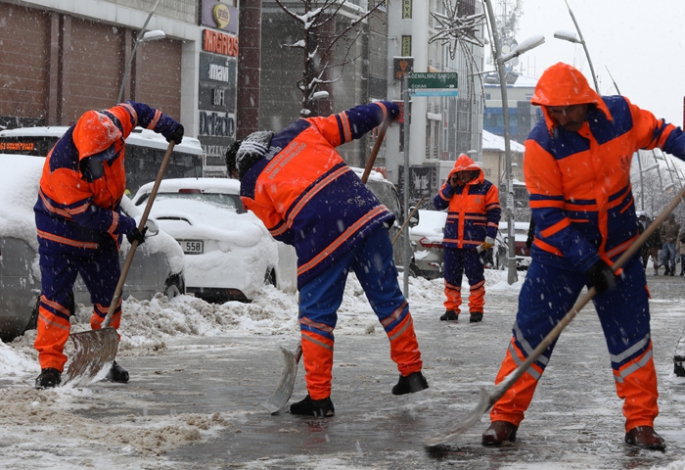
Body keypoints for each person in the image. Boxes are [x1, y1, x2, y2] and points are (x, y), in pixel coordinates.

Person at [481, 62, 685, 451]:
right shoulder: (542, 144)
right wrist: (588, 263)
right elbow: (550, 219)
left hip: (621, 248)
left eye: (566, 109)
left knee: (633, 338)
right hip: (557, 257)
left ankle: (640, 422)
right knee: (531, 335)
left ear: (586, 101)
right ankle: (505, 415)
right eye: (552, 109)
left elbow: (661, 133)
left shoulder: (620, 116)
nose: (559, 116)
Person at [224, 101, 428, 417]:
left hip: (321, 238)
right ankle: (412, 372)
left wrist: (314, 230)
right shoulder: (299, 130)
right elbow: (350, 122)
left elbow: (280, 230)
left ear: (238, 166)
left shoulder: (251, 184)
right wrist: (382, 109)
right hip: (366, 216)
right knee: (388, 299)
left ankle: (319, 399)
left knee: (316, 316)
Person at [33, 101, 184, 389]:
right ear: (85, 155)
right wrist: (127, 225)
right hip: (60, 235)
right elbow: (88, 217)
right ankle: (50, 367)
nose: (107, 162)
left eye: (112, 153)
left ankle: (104, 356)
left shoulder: (112, 124)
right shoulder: (63, 168)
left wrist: (167, 126)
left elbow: (140, 111)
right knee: (55, 301)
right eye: (100, 160)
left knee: (110, 297)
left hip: (100, 234)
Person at [433, 154, 500, 323]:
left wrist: (489, 240)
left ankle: (476, 310)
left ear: (473, 172)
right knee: (451, 278)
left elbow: (494, 214)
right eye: (459, 173)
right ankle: (451, 309)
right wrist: (449, 186)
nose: (462, 176)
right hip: (452, 243)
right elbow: (438, 204)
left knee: (476, 278)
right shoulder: (451, 188)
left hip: (475, 244)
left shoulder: (488, 189)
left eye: (465, 172)